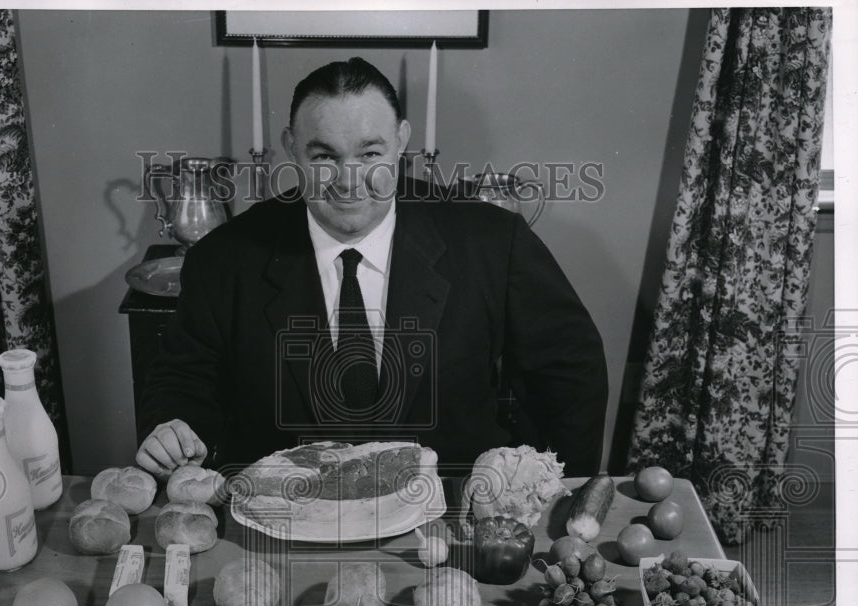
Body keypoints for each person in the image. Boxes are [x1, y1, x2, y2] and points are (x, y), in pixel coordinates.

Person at [135, 57, 608, 479]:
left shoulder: (492, 241)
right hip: (284, 519)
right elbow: (182, 379)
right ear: (291, 148)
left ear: (401, 141)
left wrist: (553, 485)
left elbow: (570, 369)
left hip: (452, 519)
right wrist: (174, 429)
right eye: (323, 156)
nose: (348, 180)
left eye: (370, 153)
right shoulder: (223, 258)